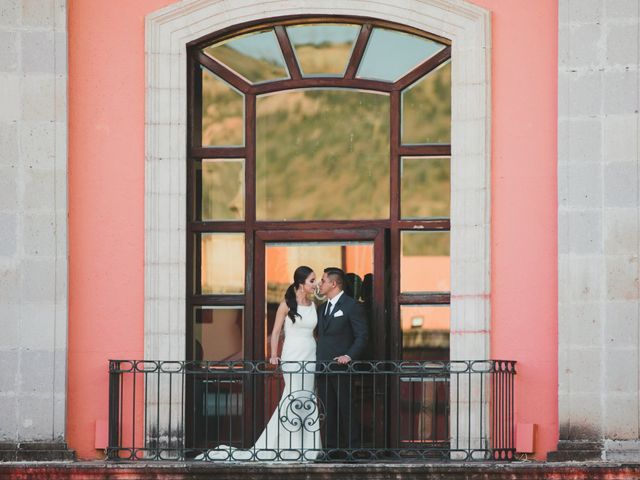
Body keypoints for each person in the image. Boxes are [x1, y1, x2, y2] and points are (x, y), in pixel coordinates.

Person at [197, 266, 321, 462]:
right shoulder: (286, 305)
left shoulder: (314, 305)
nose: (316, 284)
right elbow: (275, 331)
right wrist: (273, 355)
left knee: (309, 396)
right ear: (301, 284)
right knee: (293, 396)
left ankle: (310, 448)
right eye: (312, 281)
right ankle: (293, 448)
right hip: (293, 353)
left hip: (310, 353)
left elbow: (314, 333)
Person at [316, 267, 368, 456]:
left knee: (346, 408)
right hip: (322, 366)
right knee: (327, 410)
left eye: (322, 280)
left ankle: (353, 450)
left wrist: (349, 355)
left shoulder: (352, 305)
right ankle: (331, 450)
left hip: (342, 366)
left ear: (334, 283)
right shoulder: (322, 308)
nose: (320, 284)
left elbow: (362, 336)